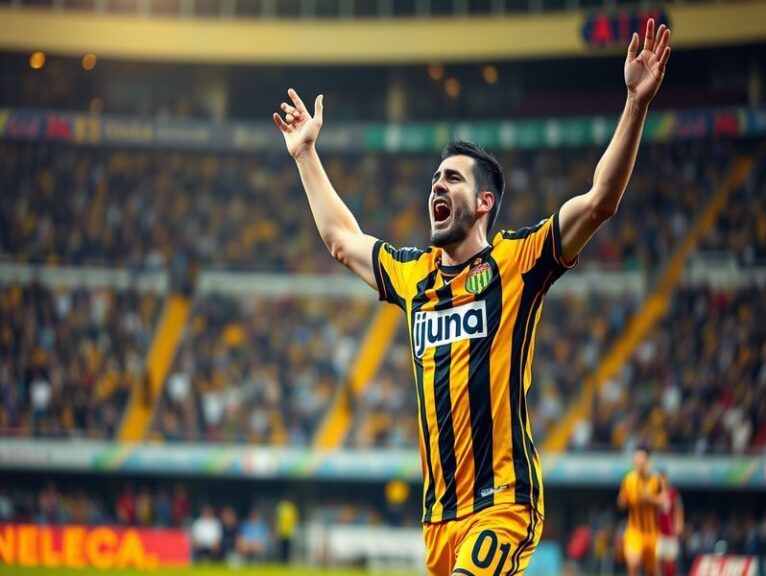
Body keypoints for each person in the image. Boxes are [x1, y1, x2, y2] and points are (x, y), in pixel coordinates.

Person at [274, 19, 671, 576]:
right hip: (439, 519)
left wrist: (635, 103)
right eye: (435, 178)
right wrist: (305, 155)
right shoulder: (413, 275)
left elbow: (600, 200)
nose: (437, 184)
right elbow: (342, 240)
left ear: (484, 202)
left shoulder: (517, 261)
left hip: (504, 503)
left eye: (453, 179)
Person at [618, 447, 666, 576]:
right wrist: (622, 501)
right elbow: (621, 503)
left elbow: (665, 502)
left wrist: (648, 497)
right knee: (633, 564)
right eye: (636, 457)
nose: (639, 460)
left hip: (653, 533)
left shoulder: (656, 479)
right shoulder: (628, 480)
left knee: (653, 571)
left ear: (647, 460)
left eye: (641, 457)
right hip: (634, 531)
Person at [657, 468, 684, 576]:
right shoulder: (655, 493)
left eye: (664, 478)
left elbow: (679, 509)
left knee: (670, 561)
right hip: (658, 532)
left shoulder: (673, 493)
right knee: (658, 559)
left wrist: (679, 524)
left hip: (671, 531)